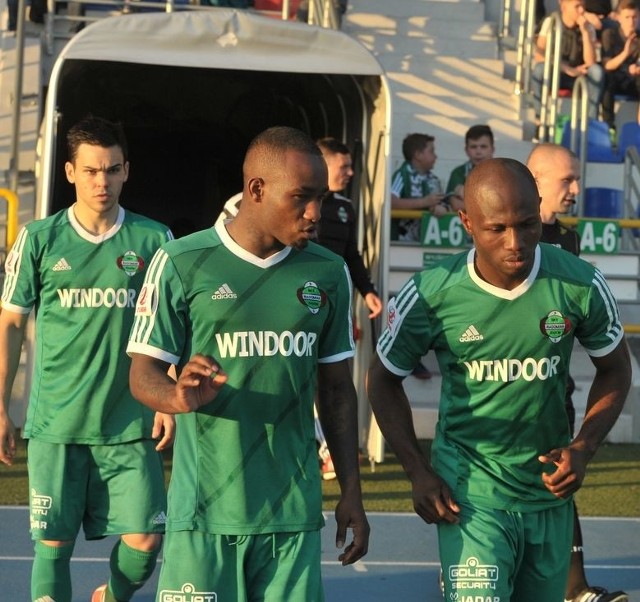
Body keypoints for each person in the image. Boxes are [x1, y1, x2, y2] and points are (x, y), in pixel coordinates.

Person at [367, 157, 631, 601]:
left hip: (546, 493)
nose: (516, 242)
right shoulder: (432, 292)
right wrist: (417, 469)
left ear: (539, 209)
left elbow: (617, 368)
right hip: (470, 493)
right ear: (467, 222)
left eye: (528, 224)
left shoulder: (579, 283)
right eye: (497, 229)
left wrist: (583, 447)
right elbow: (382, 379)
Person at [127, 125, 370, 601]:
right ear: (256, 189)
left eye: (320, 197)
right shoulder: (181, 261)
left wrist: (352, 492)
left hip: (292, 515)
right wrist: (175, 396)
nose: (315, 213)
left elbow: (338, 391)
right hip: (204, 514)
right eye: (301, 197)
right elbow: (143, 373)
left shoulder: (328, 272)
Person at [0, 116, 174, 602]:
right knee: (53, 546)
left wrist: (167, 397)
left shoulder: (155, 240)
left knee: (146, 540)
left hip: (129, 421)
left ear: (126, 172)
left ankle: (107, 598)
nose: (103, 181)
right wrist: (0, 408)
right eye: (93, 170)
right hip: (57, 422)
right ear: (71, 172)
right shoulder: (39, 239)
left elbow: (173, 327)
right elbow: (11, 324)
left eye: (113, 170)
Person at [527, 143, 629, 602]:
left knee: (561, 479)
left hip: (553, 391)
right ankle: (465, 569)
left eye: (576, 179)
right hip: (493, 389)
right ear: (534, 182)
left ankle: (575, 589)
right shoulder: (500, 238)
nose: (576, 189)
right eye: (566, 179)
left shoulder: (568, 239)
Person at [313, 136, 382, 480]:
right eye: (344, 166)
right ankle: (325, 452)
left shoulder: (345, 208)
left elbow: (352, 255)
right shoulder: (299, 203)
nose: (351, 172)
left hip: (335, 308)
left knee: (332, 380)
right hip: (301, 307)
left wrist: (367, 291)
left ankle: (329, 453)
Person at [532, 0, 605, 122]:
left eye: (583, 6)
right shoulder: (551, 22)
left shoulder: (587, 26)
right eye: (577, 6)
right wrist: (566, 68)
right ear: (564, 6)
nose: (581, 10)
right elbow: (540, 56)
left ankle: (591, 121)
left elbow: (590, 61)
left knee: (597, 71)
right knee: (539, 69)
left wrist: (585, 32)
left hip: (579, 75)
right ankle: (540, 118)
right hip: (557, 72)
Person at [601, 0, 640, 131]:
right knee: (607, 77)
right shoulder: (610, 34)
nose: (631, 21)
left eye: (634, 17)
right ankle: (609, 127)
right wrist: (625, 53)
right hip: (616, 79)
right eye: (627, 17)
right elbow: (607, 65)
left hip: (633, 81)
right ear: (618, 18)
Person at [445, 124, 495, 205]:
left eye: (483, 147)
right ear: (466, 150)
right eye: (473, 147)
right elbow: (456, 204)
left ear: (492, 149)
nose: (478, 152)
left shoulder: (504, 173)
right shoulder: (458, 173)